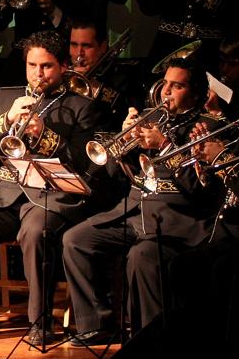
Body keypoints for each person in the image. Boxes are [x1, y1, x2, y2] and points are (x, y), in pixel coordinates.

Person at [0, 31, 104, 345]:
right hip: (3, 192)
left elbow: (85, 165)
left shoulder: (81, 106)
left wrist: (44, 133)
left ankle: (40, 321)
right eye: (32, 65)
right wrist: (6, 119)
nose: (38, 74)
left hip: (49, 196)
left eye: (46, 66)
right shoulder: (6, 96)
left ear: (63, 66)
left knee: (34, 231)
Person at [62, 59, 224, 343]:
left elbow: (196, 188)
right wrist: (123, 146)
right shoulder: (151, 116)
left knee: (142, 256)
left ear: (196, 92)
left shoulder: (207, 127)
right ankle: (97, 324)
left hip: (177, 220)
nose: (167, 92)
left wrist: (163, 145)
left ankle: (150, 340)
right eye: (166, 84)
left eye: (178, 86)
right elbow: (113, 173)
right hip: (136, 211)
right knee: (76, 239)